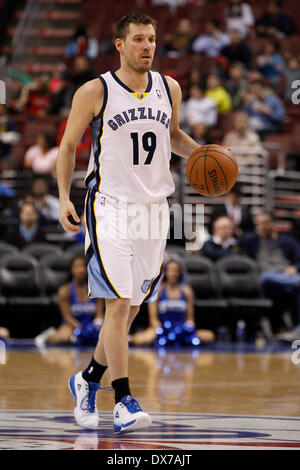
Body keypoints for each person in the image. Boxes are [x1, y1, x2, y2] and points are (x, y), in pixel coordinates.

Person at [56, 13, 204, 434]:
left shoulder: (168, 87)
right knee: (118, 304)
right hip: (110, 206)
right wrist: (65, 197)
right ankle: (122, 399)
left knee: (132, 307)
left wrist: (204, 155)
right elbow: (68, 147)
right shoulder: (95, 90)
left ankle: (86, 381)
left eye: (153, 39)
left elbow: (172, 135)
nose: (148, 46)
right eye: (139, 39)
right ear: (119, 44)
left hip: (155, 210)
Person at [129, 259, 215, 346]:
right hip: (161, 329)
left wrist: (185, 329)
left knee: (209, 336)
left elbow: (190, 318)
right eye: (171, 271)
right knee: (142, 340)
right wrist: (164, 330)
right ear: (165, 273)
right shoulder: (158, 291)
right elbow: (153, 319)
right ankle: (128, 338)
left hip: (181, 329)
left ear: (180, 273)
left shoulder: (187, 291)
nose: (173, 274)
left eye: (176, 271)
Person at [240, 212, 300, 334]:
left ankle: (297, 329)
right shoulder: (252, 240)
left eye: (265, 223)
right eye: (259, 224)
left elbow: (299, 259)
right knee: (267, 276)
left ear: (273, 224)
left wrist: (295, 267)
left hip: (285, 278)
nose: (261, 227)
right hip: (264, 278)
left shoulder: (287, 241)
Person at [35, 256, 104, 347]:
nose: (81, 270)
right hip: (71, 325)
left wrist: (96, 327)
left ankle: (76, 339)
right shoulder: (64, 290)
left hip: (91, 326)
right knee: (63, 337)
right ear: (71, 270)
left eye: (83, 266)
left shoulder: (95, 288)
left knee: (107, 336)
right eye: (77, 267)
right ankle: (48, 335)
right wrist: (80, 329)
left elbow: (99, 313)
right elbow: (67, 316)